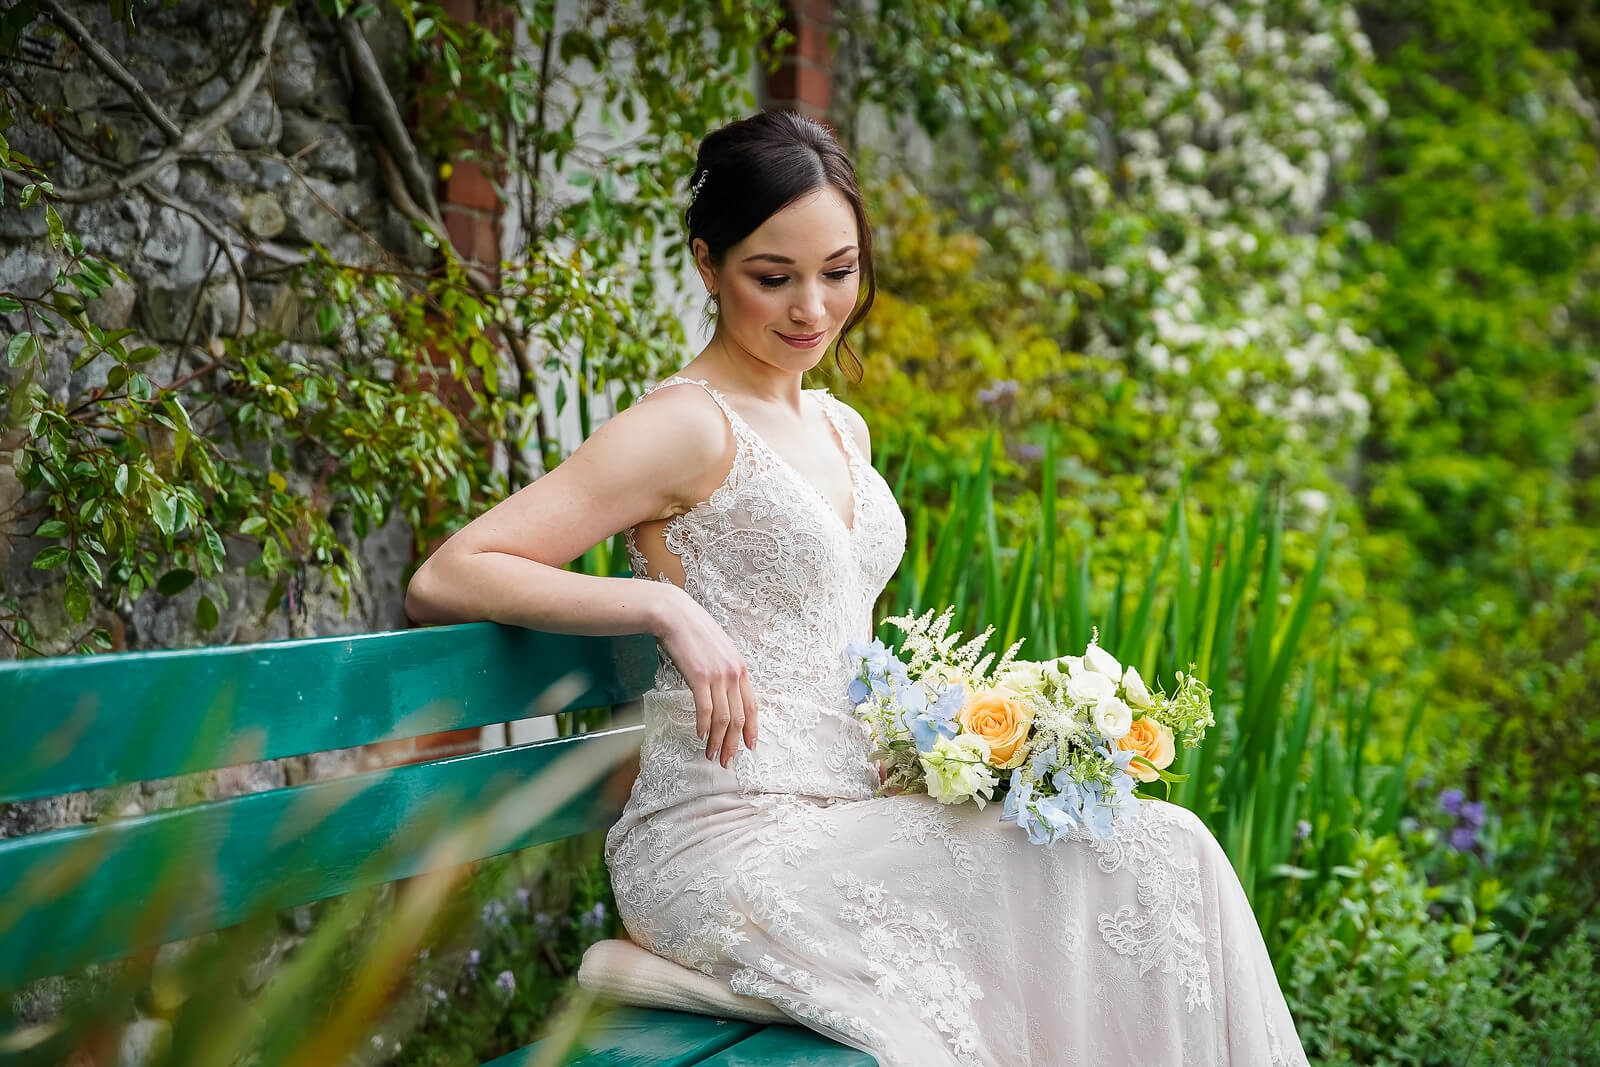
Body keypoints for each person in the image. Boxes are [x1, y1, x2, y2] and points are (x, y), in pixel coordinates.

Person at [405, 110, 1307, 1067]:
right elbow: (448, 574)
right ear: (707, 265)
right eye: (772, 277)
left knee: (1166, 847)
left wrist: (941, 740)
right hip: (726, 840)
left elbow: (837, 641)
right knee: (1115, 864)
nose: (811, 310)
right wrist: (664, 604)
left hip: (852, 817)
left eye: (837, 272)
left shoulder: (841, 429)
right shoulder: (684, 426)